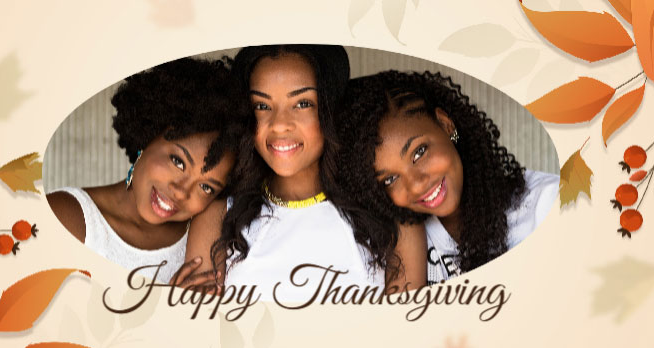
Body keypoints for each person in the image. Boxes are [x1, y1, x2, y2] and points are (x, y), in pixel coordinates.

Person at [185, 45, 426, 302]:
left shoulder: (392, 219)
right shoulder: (218, 217)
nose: (279, 124)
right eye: (262, 105)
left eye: (302, 103)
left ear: (329, 108)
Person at [335, 70, 558, 284]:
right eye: (390, 179)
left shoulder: (548, 204)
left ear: (445, 124)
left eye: (419, 152)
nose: (416, 184)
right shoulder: (397, 243)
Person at [47, 57, 244, 284]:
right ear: (147, 137)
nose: (181, 191)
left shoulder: (202, 241)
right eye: (178, 162)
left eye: (206, 187)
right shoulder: (68, 216)